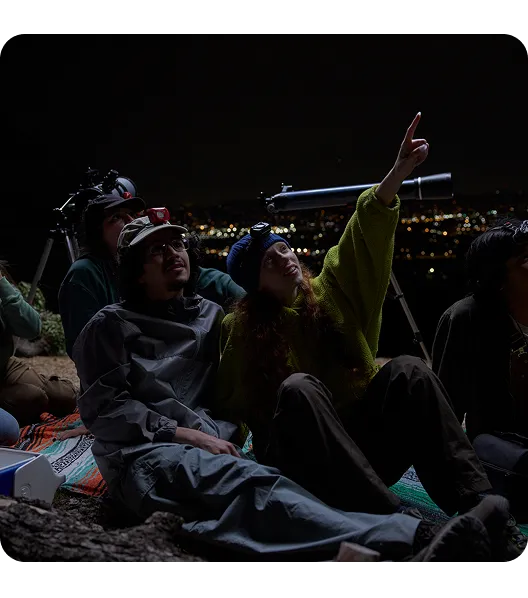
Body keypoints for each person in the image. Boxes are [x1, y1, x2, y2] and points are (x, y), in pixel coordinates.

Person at [71, 209, 515, 566]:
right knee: (253, 486)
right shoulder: (111, 326)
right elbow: (105, 410)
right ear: (134, 271)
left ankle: (482, 506)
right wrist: (187, 434)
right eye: (156, 249)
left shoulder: (208, 316)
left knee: (408, 370)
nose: (173, 253)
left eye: (176, 243)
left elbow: (230, 379)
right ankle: (410, 535)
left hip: (228, 449)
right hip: (150, 453)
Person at [215, 113, 499, 524]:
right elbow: (230, 404)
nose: (285, 257)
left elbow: (361, 234)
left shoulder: (327, 291)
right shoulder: (240, 328)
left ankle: (481, 506)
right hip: (303, 469)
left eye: (284, 248)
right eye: (269, 260)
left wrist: (399, 171)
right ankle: (392, 516)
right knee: (298, 388)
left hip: (363, 455)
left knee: (409, 370)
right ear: (254, 282)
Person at [432, 218, 528, 532]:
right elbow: (446, 415)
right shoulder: (466, 319)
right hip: (504, 451)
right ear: (498, 277)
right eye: (525, 258)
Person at [58, 193, 146, 359]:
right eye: (116, 217)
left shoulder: (137, 265)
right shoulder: (84, 272)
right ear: (98, 232)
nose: (131, 221)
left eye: (132, 214)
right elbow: (85, 344)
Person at [0, 261, 77, 427]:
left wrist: (3, 286)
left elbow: (32, 328)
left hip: (4, 365)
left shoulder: (2, 285)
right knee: (33, 398)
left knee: (66, 396)